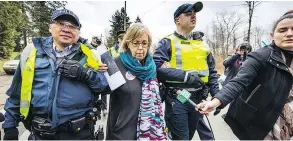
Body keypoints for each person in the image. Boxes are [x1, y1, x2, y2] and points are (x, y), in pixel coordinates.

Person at [2, 9, 108, 140]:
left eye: (72, 26)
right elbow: (16, 95)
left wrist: (85, 74)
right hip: (39, 135)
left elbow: (104, 87)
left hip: (79, 135)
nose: (66, 29)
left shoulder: (91, 54)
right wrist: (10, 127)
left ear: (78, 31)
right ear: (50, 27)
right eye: (61, 23)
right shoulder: (31, 53)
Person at [198, 11, 293, 140]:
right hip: (260, 120)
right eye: (282, 30)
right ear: (272, 36)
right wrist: (216, 101)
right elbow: (238, 82)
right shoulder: (260, 56)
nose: (289, 34)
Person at [153, 2, 219, 140]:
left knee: (188, 137)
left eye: (194, 14)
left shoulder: (203, 45)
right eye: (188, 14)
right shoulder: (167, 42)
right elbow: (156, 70)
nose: (193, 16)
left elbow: (212, 72)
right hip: (178, 98)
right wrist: (186, 77)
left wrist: (217, 96)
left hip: (198, 98)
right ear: (177, 20)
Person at [106, 23, 166, 140]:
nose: (140, 48)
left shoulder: (151, 67)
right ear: (128, 43)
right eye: (136, 43)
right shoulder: (115, 65)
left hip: (149, 132)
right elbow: (101, 89)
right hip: (122, 133)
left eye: (144, 43)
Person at [220, 41, 252, 119]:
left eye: (245, 49)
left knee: (236, 101)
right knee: (228, 99)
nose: (243, 50)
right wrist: (237, 54)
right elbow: (226, 63)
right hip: (230, 83)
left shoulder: (250, 59)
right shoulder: (233, 57)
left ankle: (231, 115)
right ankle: (221, 109)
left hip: (241, 84)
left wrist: (245, 56)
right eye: (242, 48)